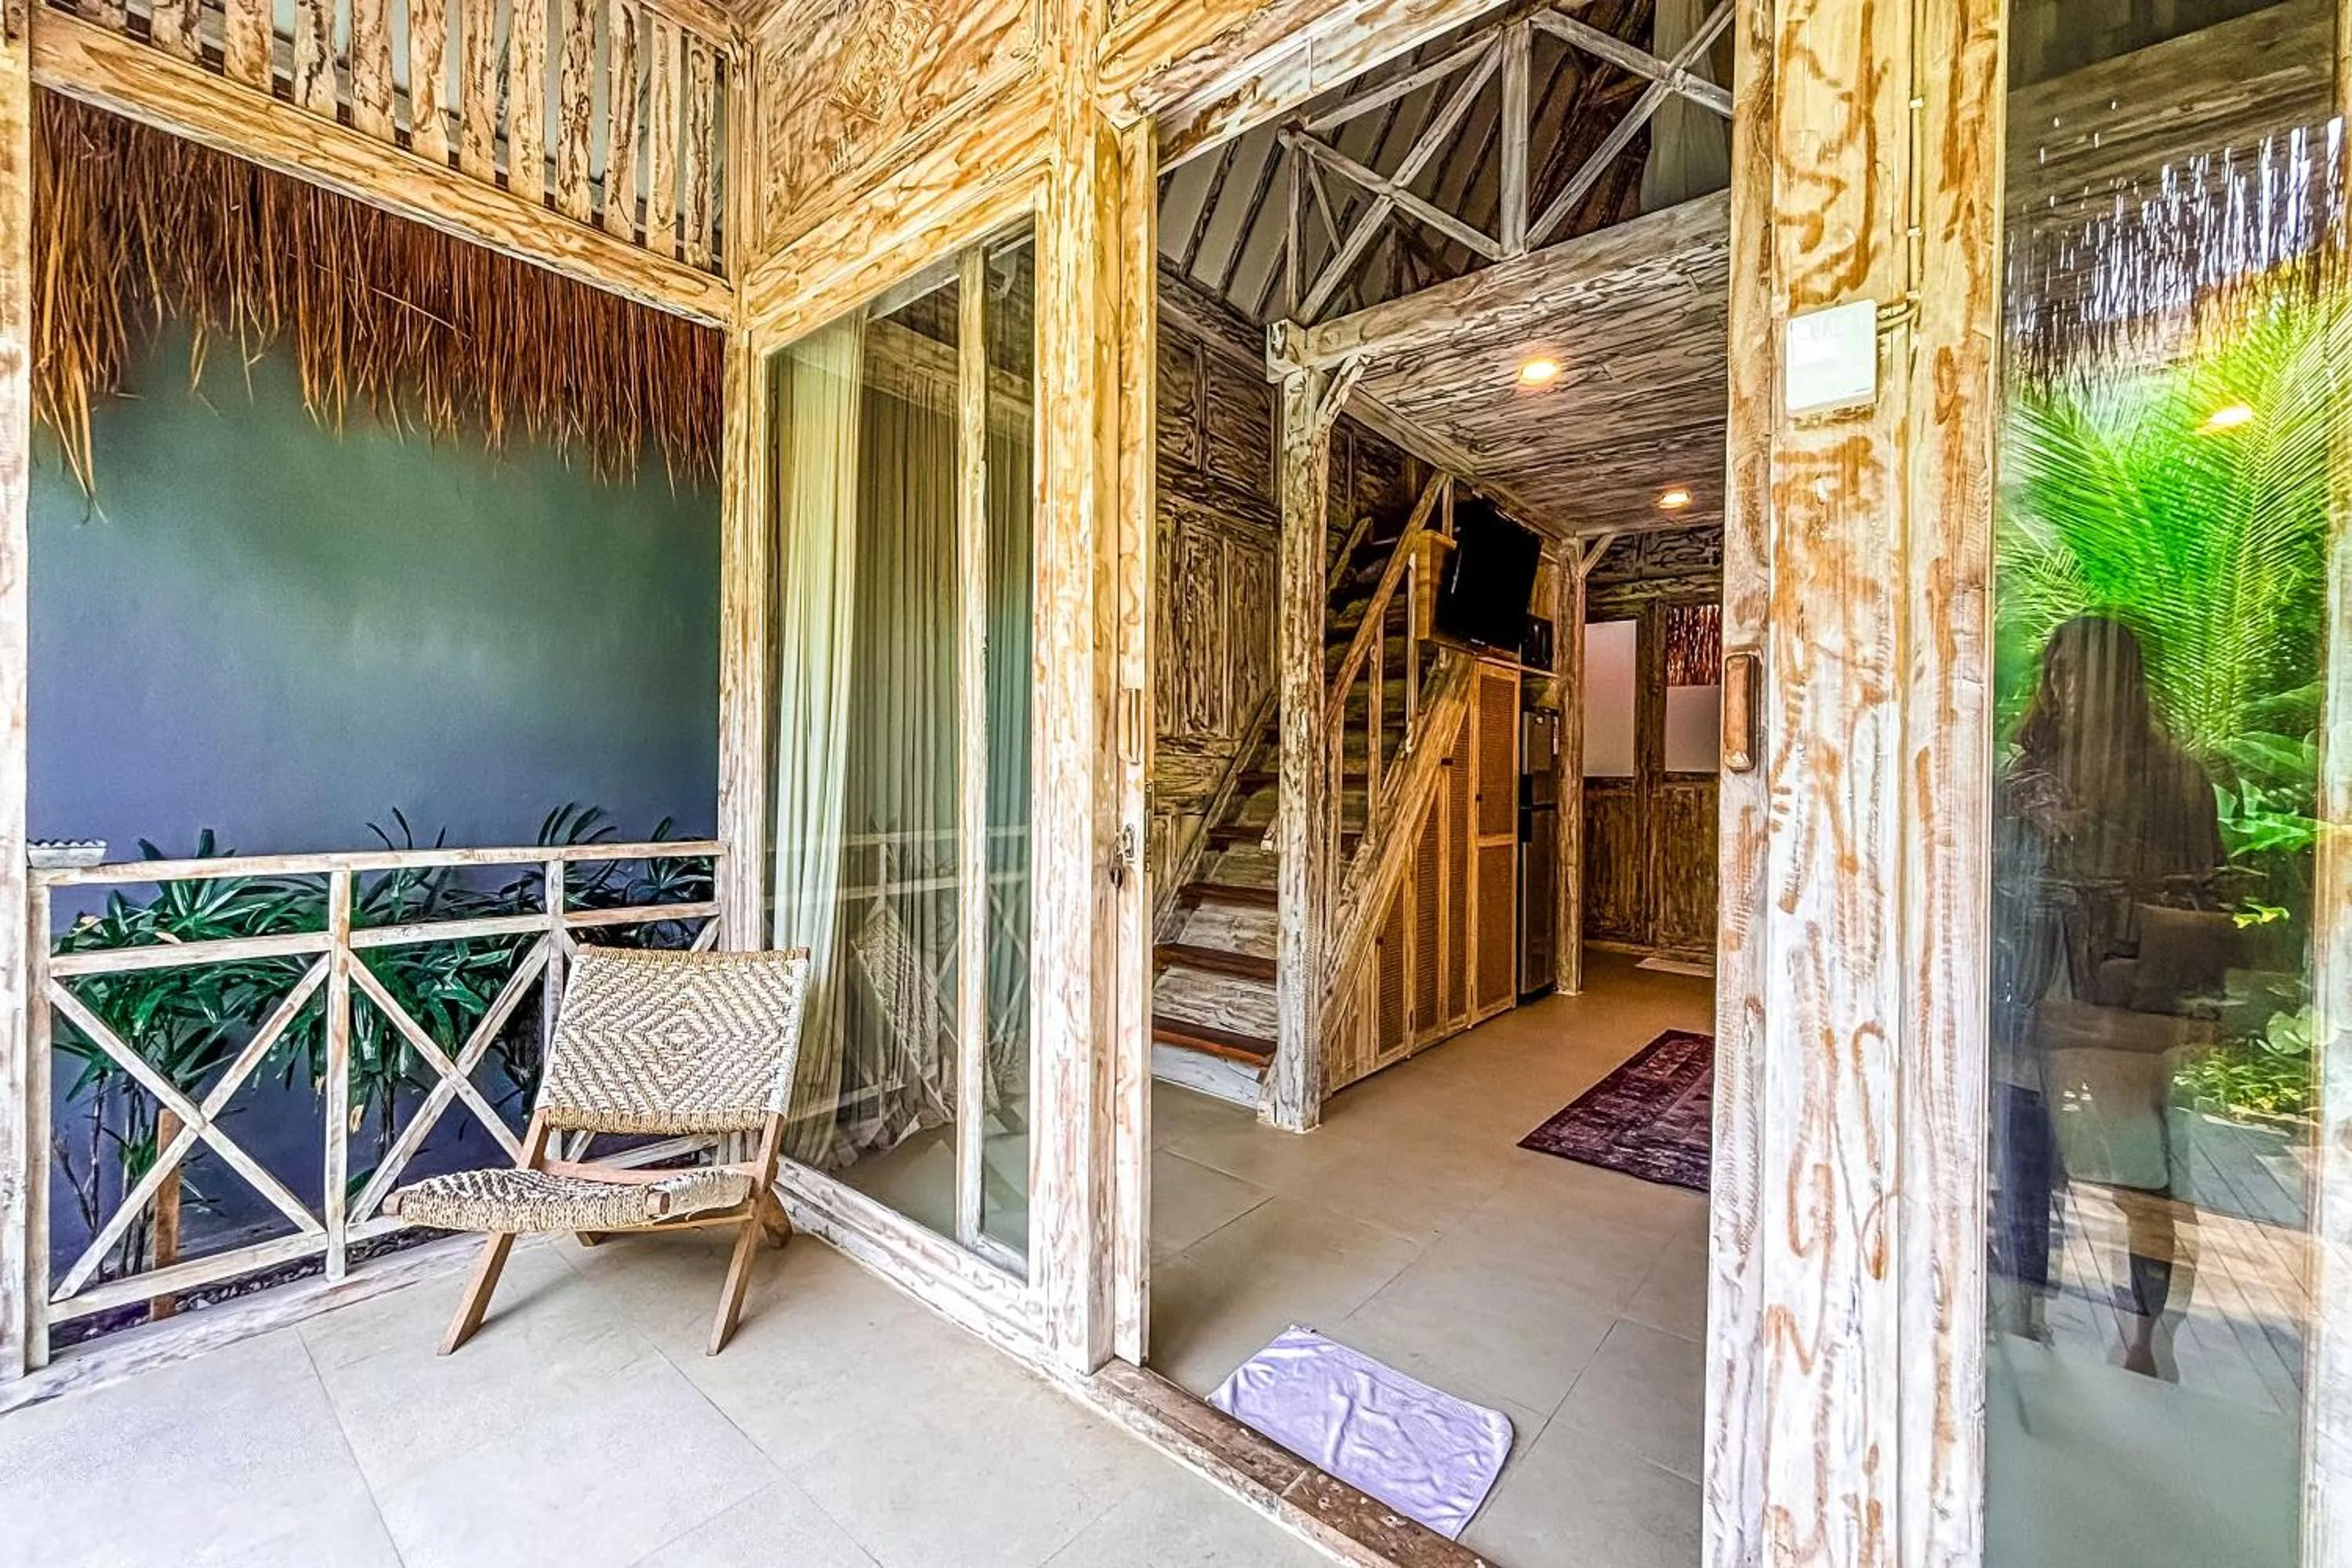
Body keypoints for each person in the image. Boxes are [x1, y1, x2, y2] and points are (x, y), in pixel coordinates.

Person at [1990, 614, 2227, 1377]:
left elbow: (2201, 898)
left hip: (2123, 1010)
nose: (2071, 686)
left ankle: (2148, 1340)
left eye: (2088, 672)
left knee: (2143, 1184)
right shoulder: (2023, 776)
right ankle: (2022, 1324)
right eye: (2060, 671)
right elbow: (1989, 882)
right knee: (2025, 1167)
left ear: (2126, 683)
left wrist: (2195, 1011)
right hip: (2032, 994)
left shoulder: (2174, 780)